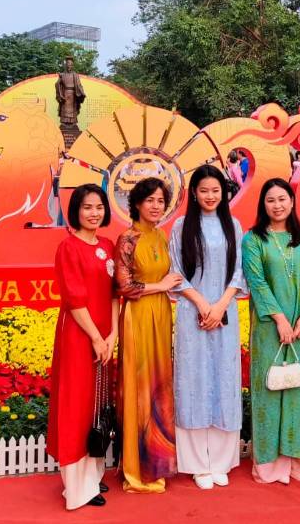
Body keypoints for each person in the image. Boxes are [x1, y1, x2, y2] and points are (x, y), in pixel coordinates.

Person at [168, 165, 247, 490]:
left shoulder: (234, 226)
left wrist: (221, 304)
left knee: (224, 380)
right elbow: (175, 271)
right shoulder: (181, 226)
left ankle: (221, 460)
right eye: (204, 191)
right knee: (194, 382)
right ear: (194, 194)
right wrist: (203, 304)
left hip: (225, 314)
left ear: (224, 192)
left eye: (216, 190)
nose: (211, 196)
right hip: (192, 315)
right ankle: (198, 464)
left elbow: (239, 271)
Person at [241, 178, 300, 485]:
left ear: (292, 201)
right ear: (263, 204)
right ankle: (269, 464)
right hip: (268, 327)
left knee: (299, 391)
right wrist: (279, 319)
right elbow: (257, 283)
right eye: (271, 200)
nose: (277, 205)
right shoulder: (253, 239)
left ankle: (298, 461)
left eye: (282, 199)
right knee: (270, 389)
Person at [47, 184, 118, 510]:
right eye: (87, 207)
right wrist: (95, 337)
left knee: (97, 402)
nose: (94, 213)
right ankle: (77, 488)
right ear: (75, 211)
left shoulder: (107, 245)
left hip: (105, 336)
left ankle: (94, 472)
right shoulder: (68, 248)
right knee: (77, 404)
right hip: (79, 336)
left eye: (99, 207)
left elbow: (114, 293)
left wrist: (113, 334)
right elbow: (74, 300)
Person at [114, 177, 182, 493]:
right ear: (137, 204)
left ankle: (156, 460)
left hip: (160, 315)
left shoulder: (160, 236)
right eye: (150, 200)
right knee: (140, 386)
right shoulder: (128, 239)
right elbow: (125, 286)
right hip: (138, 316)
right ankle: (136, 470)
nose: (155, 206)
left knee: (159, 387)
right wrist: (161, 287)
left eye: (160, 201)